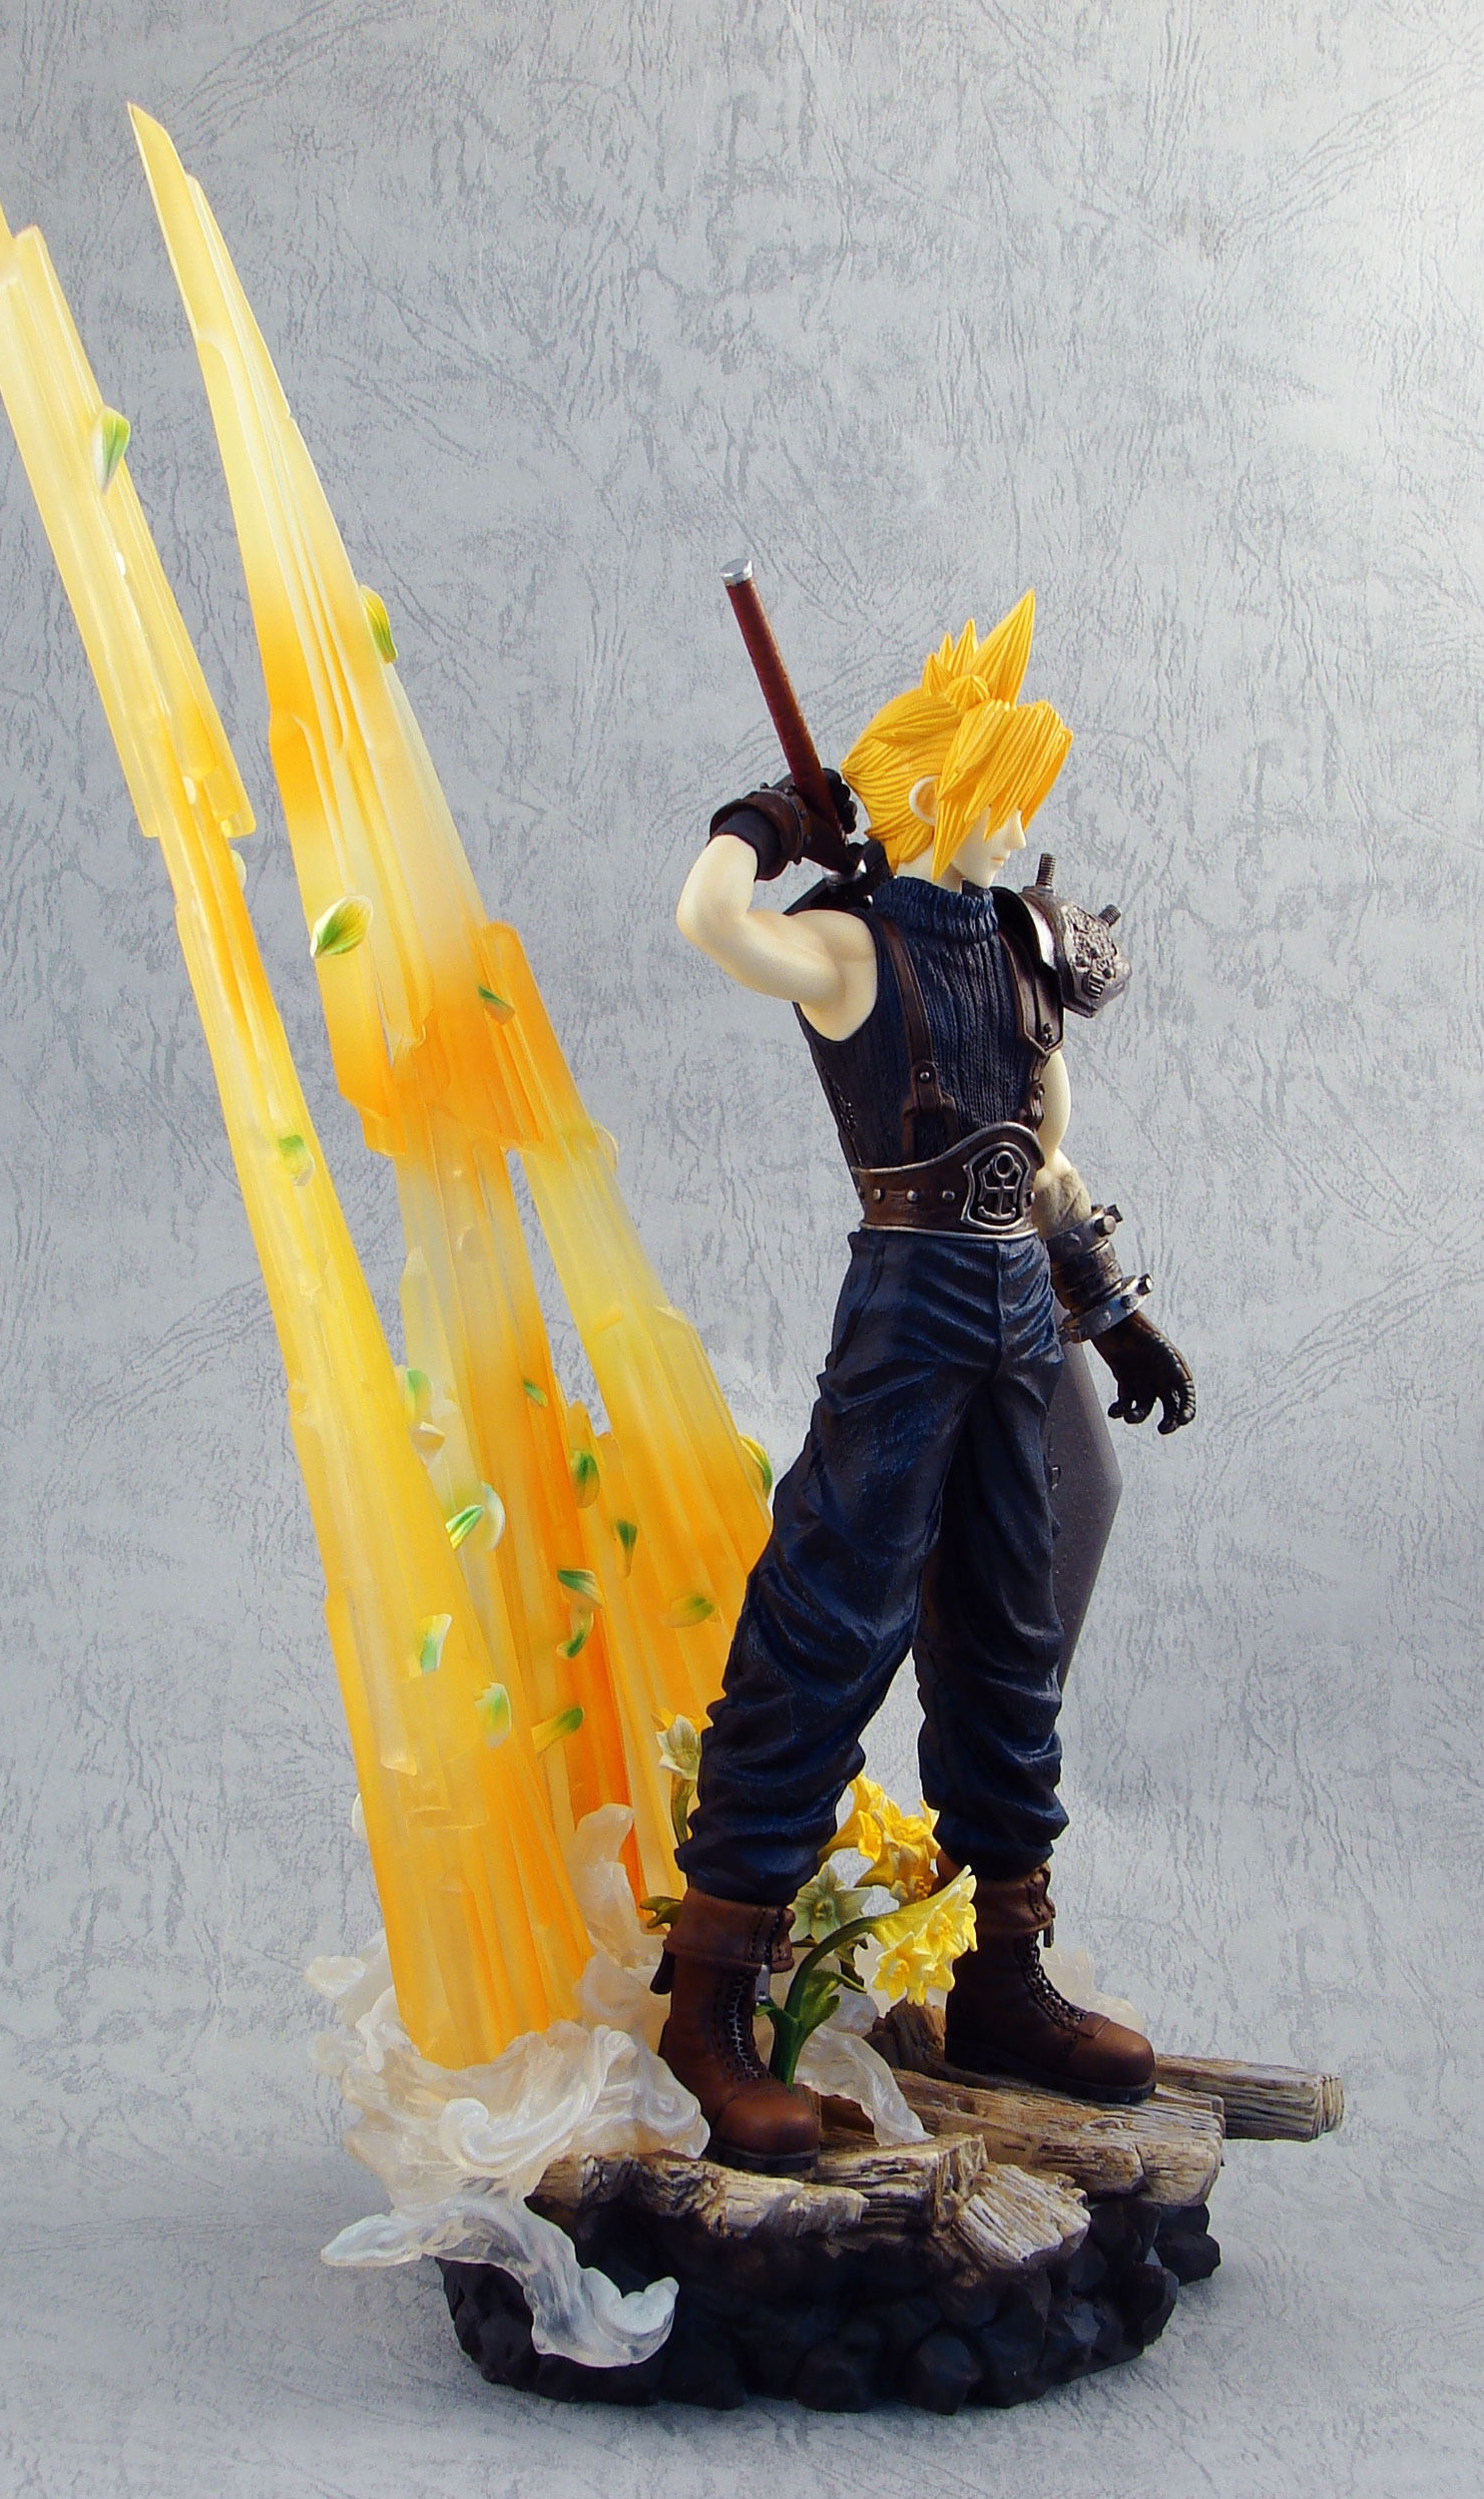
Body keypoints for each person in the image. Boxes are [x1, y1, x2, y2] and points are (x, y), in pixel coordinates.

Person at [658, 596, 1195, 2174]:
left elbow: (1043, 1158)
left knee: (1009, 1636)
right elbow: (710, 922)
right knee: (829, 1622)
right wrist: (771, 819)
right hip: (909, 1312)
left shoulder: (1025, 954)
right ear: (940, 788)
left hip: (1020, 1312)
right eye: (1003, 791)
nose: (1021, 824)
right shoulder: (850, 945)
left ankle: (1005, 1980)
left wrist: (1114, 1313)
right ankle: (710, 2009)